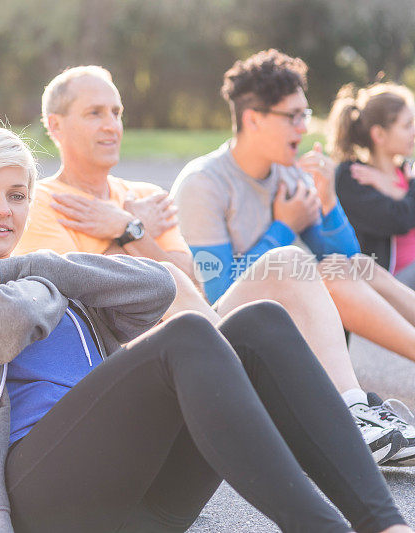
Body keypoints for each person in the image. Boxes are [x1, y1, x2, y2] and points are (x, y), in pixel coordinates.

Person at [0, 123, 413, 533]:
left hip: (143, 500)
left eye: (18, 195)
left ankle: (382, 522)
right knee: (186, 338)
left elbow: (157, 286)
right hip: (43, 506)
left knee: (259, 323)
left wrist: (22, 265)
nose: (3, 209)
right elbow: (14, 320)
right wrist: (41, 277)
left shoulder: (35, 273)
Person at [14, 65, 412, 464]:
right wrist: (132, 231)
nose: (111, 125)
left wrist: (130, 231)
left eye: (117, 112)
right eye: (95, 113)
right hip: (136, 361)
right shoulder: (46, 203)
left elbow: (193, 284)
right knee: (279, 267)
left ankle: (353, 412)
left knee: (309, 263)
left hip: (205, 332)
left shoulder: (146, 196)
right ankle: (336, 419)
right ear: (55, 124)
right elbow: (84, 299)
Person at [170, 49, 415, 461]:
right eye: (293, 116)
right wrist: (284, 225)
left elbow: (351, 263)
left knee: (346, 267)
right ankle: (355, 413)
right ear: (253, 118)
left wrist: (328, 201)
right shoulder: (203, 184)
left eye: (306, 113)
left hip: (283, 335)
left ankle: (358, 414)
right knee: (294, 262)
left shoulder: (289, 174)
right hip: (216, 344)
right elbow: (216, 294)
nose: (305, 126)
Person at [328, 82, 415, 288]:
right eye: (407, 125)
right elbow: (400, 219)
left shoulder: (406, 171)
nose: (414, 131)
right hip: (389, 285)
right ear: (379, 135)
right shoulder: (353, 177)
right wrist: (403, 190)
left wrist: (392, 188)